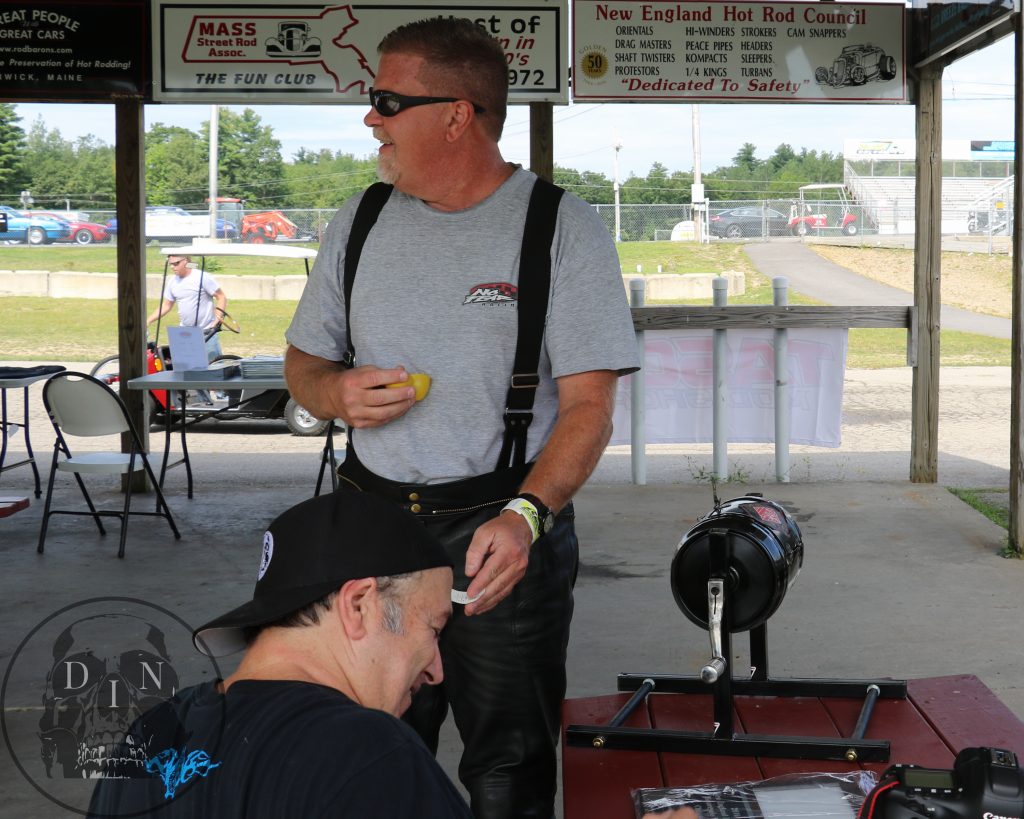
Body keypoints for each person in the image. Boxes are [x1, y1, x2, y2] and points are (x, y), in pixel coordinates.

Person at [283, 16, 640, 818]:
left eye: (385, 100)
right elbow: (302, 365)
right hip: (373, 530)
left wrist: (527, 516)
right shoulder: (360, 219)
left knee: (508, 765)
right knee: (370, 752)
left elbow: (590, 408)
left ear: (456, 115)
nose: (370, 117)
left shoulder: (561, 227)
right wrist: (333, 393)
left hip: (499, 529)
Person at [87, 490, 474, 818]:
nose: (436, 671)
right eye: (434, 630)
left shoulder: (151, 736)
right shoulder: (373, 756)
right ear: (359, 605)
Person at [147, 254, 229, 361]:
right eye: (170, 264)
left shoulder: (202, 277)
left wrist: (218, 319)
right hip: (185, 334)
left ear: (186, 261)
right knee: (185, 371)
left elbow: (221, 297)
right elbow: (166, 305)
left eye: (176, 263)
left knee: (213, 371)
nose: (172, 267)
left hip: (206, 332)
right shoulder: (172, 282)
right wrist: (148, 320)